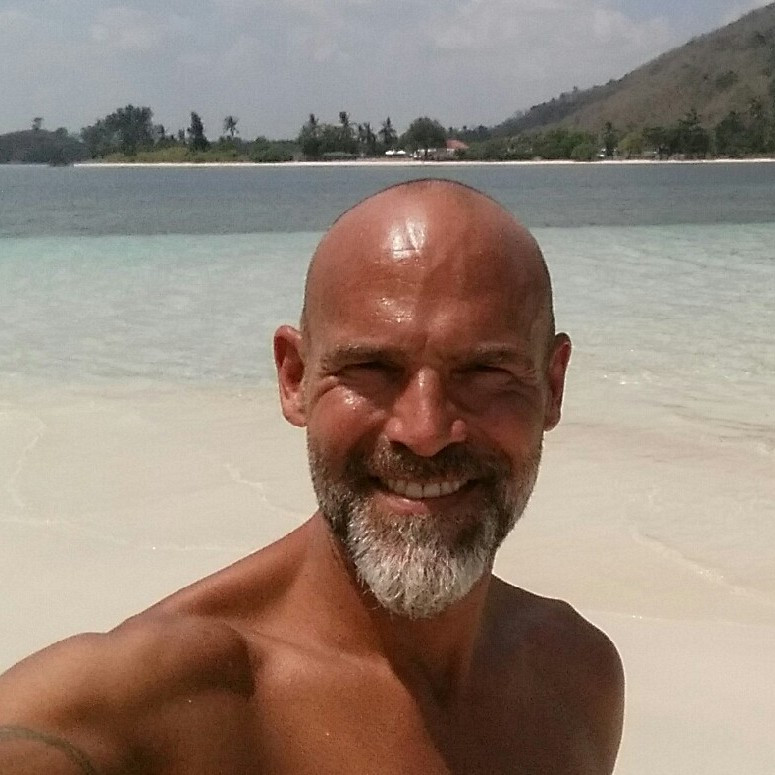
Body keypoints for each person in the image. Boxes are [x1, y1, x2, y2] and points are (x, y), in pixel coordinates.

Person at [0, 179, 624, 774]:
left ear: (553, 386)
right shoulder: (136, 713)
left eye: (485, 371)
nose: (425, 430)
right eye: (371, 367)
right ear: (294, 378)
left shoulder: (576, 676)